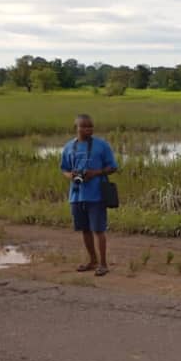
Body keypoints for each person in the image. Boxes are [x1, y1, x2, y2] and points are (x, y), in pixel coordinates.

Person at [59, 114, 118, 277]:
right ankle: (92, 261)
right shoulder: (69, 147)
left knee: (98, 230)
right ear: (76, 128)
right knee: (85, 230)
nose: (88, 129)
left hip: (97, 194)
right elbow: (64, 169)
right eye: (84, 126)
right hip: (77, 195)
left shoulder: (102, 145)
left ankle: (103, 264)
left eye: (90, 126)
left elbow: (113, 167)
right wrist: (71, 175)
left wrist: (95, 173)